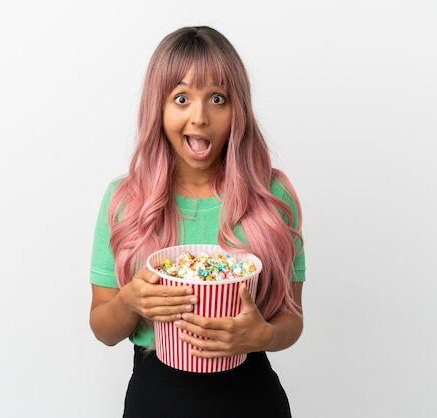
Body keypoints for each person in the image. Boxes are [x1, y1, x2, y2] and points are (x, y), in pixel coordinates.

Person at [89, 25, 305, 418]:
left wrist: (265, 335)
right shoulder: (126, 200)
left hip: (251, 398)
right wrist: (130, 301)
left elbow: (292, 320)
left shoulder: (273, 197)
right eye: (182, 97)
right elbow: (103, 328)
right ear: (159, 107)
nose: (200, 117)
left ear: (237, 108)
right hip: (156, 400)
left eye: (217, 98)